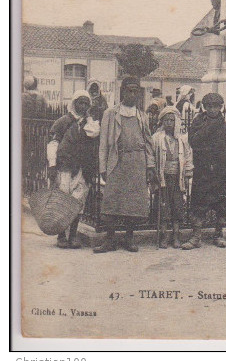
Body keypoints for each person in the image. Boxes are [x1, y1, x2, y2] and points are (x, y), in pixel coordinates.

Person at [94, 76, 156, 253]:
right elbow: (104, 143)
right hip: (117, 162)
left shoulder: (142, 115)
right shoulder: (111, 114)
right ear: (123, 92)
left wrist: (150, 166)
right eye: (129, 90)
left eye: (136, 91)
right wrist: (103, 167)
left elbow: (149, 142)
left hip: (137, 162)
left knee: (134, 203)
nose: (133, 94)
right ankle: (110, 240)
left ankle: (129, 238)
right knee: (112, 201)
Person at [182, 93, 226, 250]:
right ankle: (196, 236)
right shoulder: (198, 121)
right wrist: (208, 128)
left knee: (221, 202)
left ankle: (219, 234)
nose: (212, 109)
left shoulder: (223, 125)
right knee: (199, 202)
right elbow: (193, 141)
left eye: (215, 106)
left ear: (220, 107)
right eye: (209, 106)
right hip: (203, 169)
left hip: (220, 170)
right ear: (204, 107)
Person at [47, 90, 100, 248]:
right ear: (74, 103)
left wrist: (88, 118)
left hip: (83, 167)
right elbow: (53, 144)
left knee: (78, 200)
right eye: (80, 102)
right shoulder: (63, 122)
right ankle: (61, 235)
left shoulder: (89, 124)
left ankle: (74, 235)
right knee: (63, 199)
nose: (83, 106)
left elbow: (94, 133)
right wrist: (52, 164)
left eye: (86, 103)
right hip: (65, 166)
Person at [152, 107, 193, 248]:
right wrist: (153, 173)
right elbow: (151, 156)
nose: (169, 123)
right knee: (164, 207)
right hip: (163, 178)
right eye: (166, 120)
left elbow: (187, 156)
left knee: (177, 207)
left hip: (177, 179)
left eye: (172, 120)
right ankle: (164, 236)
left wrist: (188, 172)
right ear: (162, 121)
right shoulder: (157, 138)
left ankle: (176, 235)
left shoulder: (182, 139)